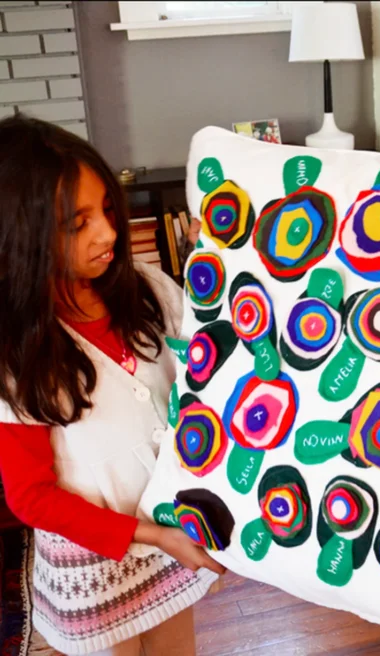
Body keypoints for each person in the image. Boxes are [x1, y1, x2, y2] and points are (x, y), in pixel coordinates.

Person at [0, 115, 226, 656]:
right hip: (94, 558)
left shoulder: (146, 289)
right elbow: (30, 496)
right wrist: (147, 536)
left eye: (107, 209)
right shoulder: (16, 353)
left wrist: (220, 262)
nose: (108, 233)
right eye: (77, 223)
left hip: (169, 534)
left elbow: (217, 355)